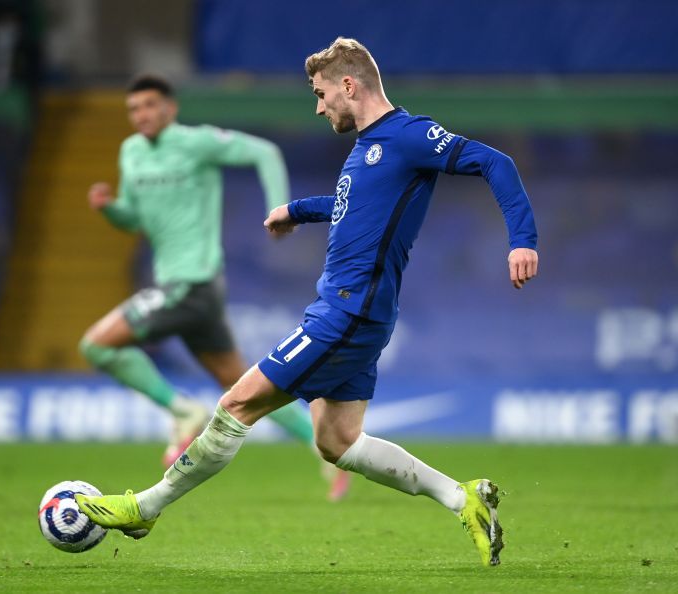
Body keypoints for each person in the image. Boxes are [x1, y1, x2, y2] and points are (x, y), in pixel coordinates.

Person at [76, 39, 539, 567]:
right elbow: (353, 206)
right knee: (338, 442)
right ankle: (463, 499)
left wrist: (522, 239)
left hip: (347, 312)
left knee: (235, 405)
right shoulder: (367, 148)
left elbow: (493, 161)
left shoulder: (409, 135)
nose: (318, 107)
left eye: (321, 95)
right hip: (357, 313)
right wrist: (297, 210)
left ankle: (145, 507)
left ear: (349, 86)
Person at [79, 74, 350, 500]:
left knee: (97, 345)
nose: (142, 115)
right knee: (250, 389)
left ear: (170, 108)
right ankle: (325, 447)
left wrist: (281, 209)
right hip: (184, 289)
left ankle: (182, 410)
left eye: (150, 106)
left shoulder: (196, 142)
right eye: (134, 109)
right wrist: (111, 210)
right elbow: (134, 218)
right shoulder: (130, 153)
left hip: (193, 284)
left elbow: (265, 152)